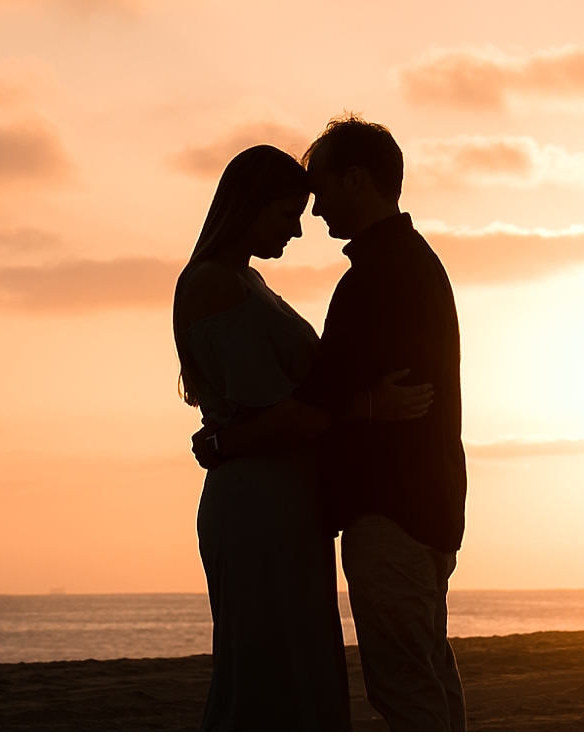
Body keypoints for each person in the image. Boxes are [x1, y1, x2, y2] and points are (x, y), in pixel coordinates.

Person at [196, 116, 467, 731]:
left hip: (390, 511)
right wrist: (365, 404)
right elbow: (336, 393)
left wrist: (224, 441)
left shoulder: (376, 276)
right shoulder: (411, 261)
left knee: (406, 691)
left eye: (319, 192)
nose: (313, 213)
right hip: (428, 505)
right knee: (427, 676)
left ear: (357, 180)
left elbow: (315, 401)